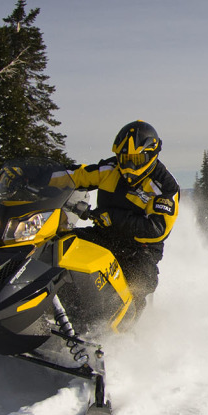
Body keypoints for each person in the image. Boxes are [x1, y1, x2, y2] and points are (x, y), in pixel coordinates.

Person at [70, 120, 180, 310]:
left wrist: (112, 217)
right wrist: (39, 176)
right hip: (103, 235)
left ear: (151, 155)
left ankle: (126, 334)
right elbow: (76, 175)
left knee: (139, 283)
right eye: (124, 159)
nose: (128, 167)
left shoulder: (165, 187)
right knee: (61, 245)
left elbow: (157, 229)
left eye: (135, 160)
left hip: (140, 249)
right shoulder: (110, 169)